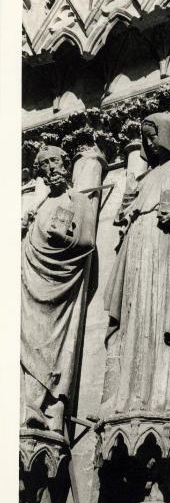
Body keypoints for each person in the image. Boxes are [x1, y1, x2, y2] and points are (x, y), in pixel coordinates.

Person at [102, 113, 170, 419]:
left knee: (160, 317)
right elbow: (126, 217)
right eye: (146, 138)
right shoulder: (145, 178)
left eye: (154, 135)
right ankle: (127, 395)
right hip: (138, 251)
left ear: (168, 136)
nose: (149, 143)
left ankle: (161, 397)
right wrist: (126, 211)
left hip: (166, 250)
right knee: (135, 319)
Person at [21, 145, 96, 433]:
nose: (51, 168)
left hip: (60, 288)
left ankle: (50, 410)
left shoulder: (78, 200)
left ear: (66, 163)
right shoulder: (39, 206)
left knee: (51, 347)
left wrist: (63, 239)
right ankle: (28, 408)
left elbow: (87, 242)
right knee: (25, 342)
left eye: (54, 162)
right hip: (31, 285)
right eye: (44, 166)